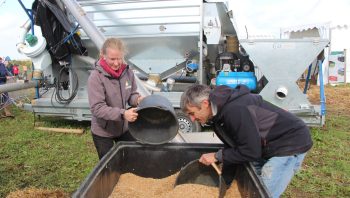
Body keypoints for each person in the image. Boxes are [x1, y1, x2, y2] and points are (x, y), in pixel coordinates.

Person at [180, 84, 313, 198]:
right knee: (252, 177)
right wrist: (225, 183)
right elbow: (233, 146)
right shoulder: (217, 114)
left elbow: (250, 151)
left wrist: (216, 156)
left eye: (192, 113)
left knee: (262, 190)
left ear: (204, 104)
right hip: (264, 143)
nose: (192, 119)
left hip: (290, 142)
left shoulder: (235, 110)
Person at [87, 38, 144, 160]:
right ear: (103, 55)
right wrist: (123, 113)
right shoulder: (96, 77)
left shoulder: (127, 72)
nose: (117, 63)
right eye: (112, 59)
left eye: (119, 58)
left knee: (132, 158)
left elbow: (131, 94)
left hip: (123, 127)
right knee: (109, 165)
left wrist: (138, 100)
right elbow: (97, 108)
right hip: (103, 130)